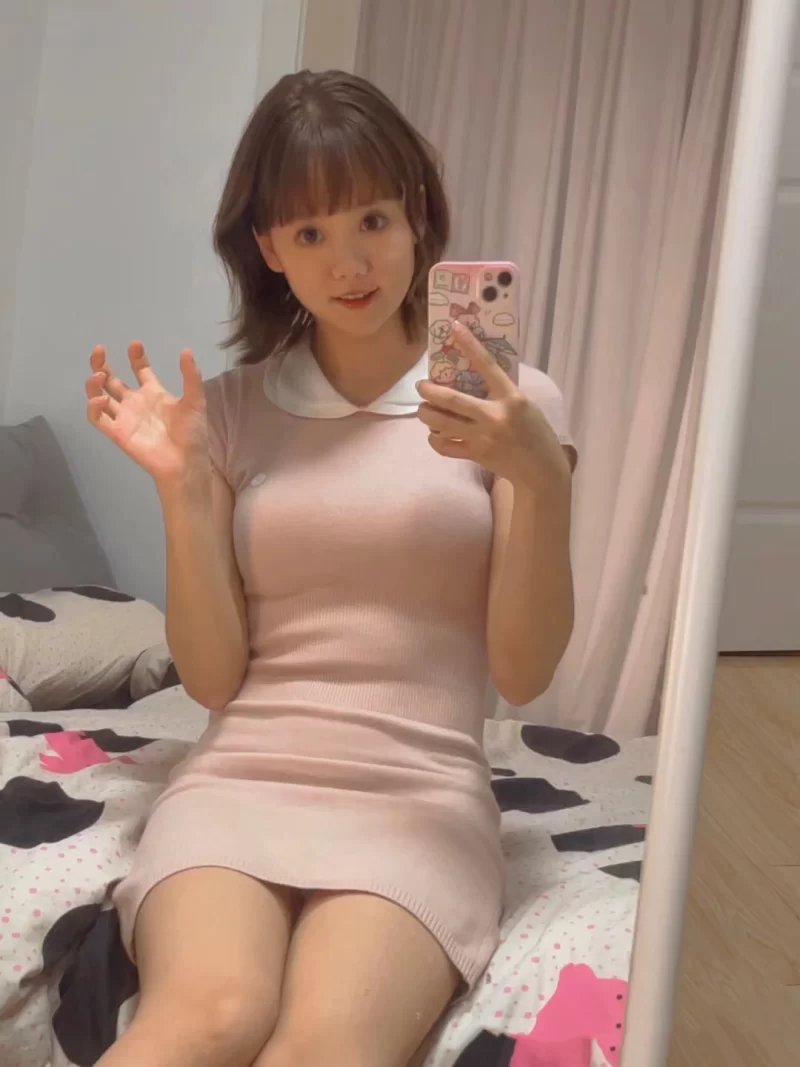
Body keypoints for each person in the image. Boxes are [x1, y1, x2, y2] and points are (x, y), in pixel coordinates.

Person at [86, 69, 577, 1067]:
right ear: (268, 247)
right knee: (211, 1016)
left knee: (320, 1048)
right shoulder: (227, 411)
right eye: (309, 232)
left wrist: (541, 478)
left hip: (419, 792)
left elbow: (522, 674)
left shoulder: (511, 405)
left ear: (418, 214)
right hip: (240, 776)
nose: (349, 263)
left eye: (372, 220)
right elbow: (213, 680)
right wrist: (183, 492)